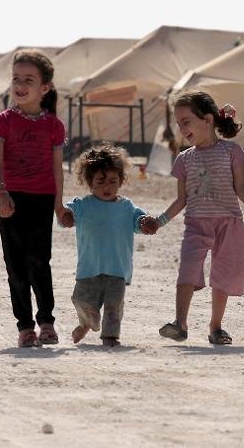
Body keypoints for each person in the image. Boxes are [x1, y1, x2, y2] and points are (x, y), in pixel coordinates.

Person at [155, 91, 244, 345]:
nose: (181, 128)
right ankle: (180, 323)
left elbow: (242, 188)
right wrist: (160, 221)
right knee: (187, 269)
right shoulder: (184, 159)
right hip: (196, 223)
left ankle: (216, 327)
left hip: (229, 223)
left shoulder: (232, 151)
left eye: (186, 121)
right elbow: (180, 200)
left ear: (207, 120)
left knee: (223, 275)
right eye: (178, 123)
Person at [0, 49, 73, 348]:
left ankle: (47, 322)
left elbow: (57, 169)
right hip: (11, 200)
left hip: (42, 199)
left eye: (28, 79)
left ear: (44, 87)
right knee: (16, 266)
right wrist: (0, 192)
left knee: (40, 262)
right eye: (15, 79)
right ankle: (25, 326)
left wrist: (60, 204)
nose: (20, 85)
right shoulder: (2, 122)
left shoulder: (54, 126)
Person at [64, 145, 157, 347]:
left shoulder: (127, 207)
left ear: (121, 181)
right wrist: (67, 217)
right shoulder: (83, 205)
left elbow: (139, 221)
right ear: (89, 182)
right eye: (101, 181)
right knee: (81, 300)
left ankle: (110, 336)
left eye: (113, 181)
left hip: (117, 269)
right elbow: (67, 214)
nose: (107, 186)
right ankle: (87, 323)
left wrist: (145, 223)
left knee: (114, 307)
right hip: (89, 268)